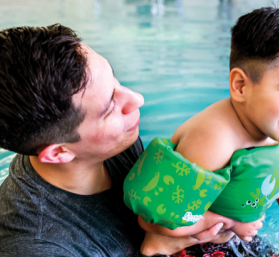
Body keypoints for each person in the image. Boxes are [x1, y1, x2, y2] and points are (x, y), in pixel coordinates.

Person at [0, 24, 258, 257]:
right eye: (109, 107)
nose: (136, 99)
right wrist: (156, 250)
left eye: (113, 80)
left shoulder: (109, 140)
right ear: (58, 153)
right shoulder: (37, 245)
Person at [124, 7, 279, 257]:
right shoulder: (214, 140)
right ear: (240, 86)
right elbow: (154, 221)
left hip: (233, 238)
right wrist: (232, 224)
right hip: (182, 249)